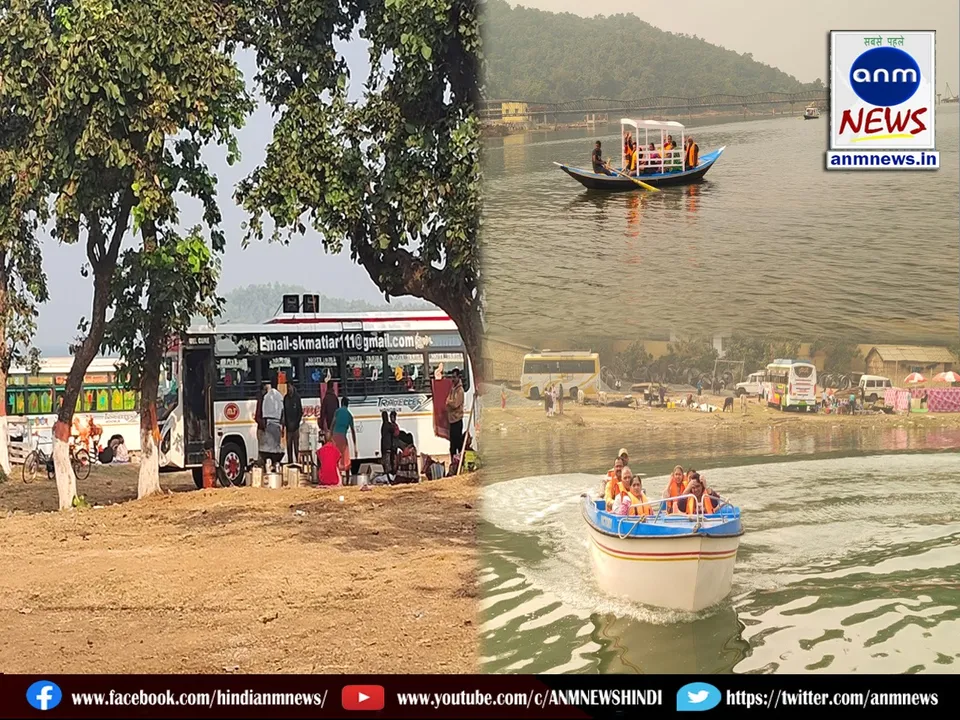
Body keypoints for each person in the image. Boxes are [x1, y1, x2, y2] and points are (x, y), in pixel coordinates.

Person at [258, 379, 284, 466]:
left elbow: (263, 412)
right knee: (276, 447)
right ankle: (275, 464)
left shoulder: (267, 396)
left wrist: (264, 424)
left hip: (268, 424)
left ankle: (268, 465)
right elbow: (282, 411)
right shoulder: (279, 396)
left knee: (268, 447)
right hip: (277, 424)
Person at [332, 397, 357, 481]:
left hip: (335, 437)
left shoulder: (337, 412)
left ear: (341, 403)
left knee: (336, 458)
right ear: (347, 405)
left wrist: (330, 436)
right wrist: (355, 445)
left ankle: (337, 479)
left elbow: (333, 424)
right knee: (346, 459)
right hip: (342, 437)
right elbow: (353, 431)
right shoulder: (349, 415)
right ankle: (346, 480)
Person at [446, 368, 465, 459]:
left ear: (458, 377)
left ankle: (460, 463)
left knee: (458, 445)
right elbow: (448, 400)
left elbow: (455, 404)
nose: (452, 379)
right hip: (452, 420)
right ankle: (453, 464)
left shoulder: (460, 390)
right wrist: (449, 402)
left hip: (457, 420)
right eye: (451, 377)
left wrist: (449, 402)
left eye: (454, 377)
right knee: (452, 447)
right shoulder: (453, 389)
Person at [283, 382, 304, 464]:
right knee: (289, 447)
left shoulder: (297, 398)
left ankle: (298, 463)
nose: (288, 389)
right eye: (287, 387)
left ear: (292, 387)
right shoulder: (285, 398)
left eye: (289, 387)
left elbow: (300, 412)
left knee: (296, 447)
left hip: (295, 427)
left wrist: (296, 423)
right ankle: (290, 462)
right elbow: (284, 412)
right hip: (288, 428)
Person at [380, 411, 396, 476]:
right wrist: (393, 423)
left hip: (383, 445)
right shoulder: (387, 425)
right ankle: (389, 475)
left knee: (386, 461)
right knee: (388, 461)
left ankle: (387, 474)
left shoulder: (383, 425)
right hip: (388, 446)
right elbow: (393, 429)